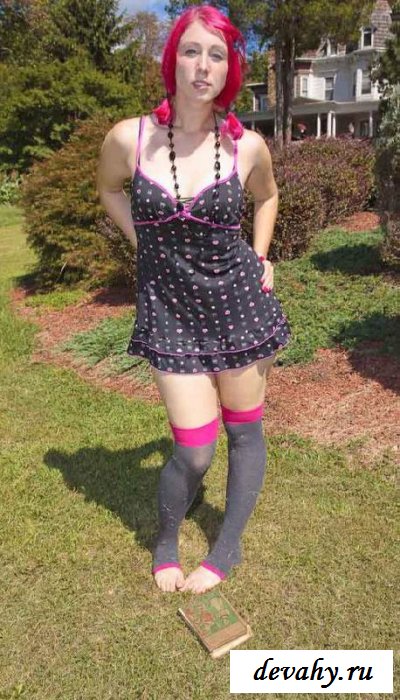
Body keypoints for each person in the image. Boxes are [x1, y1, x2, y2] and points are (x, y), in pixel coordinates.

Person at [96, 5, 292, 594]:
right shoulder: (128, 138)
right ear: (173, 60)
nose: (203, 66)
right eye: (191, 51)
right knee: (195, 451)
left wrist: (261, 255)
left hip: (240, 307)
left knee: (244, 433)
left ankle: (227, 546)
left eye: (217, 55)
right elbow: (109, 190)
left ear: (229, 69)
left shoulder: (246, 146)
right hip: (172, 314)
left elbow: (267, 197)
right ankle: (167, 539)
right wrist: (143, 242)